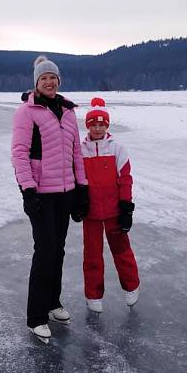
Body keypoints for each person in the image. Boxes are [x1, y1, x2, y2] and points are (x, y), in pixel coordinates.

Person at [11, 56, 89, 343]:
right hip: (41, 194)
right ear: (36, 82)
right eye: (44, 78)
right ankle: (36, 316)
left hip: (65, 193)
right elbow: (19, 153)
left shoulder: (68, 112)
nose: (49, 82)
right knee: (44, 252)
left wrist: (82, 188)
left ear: (59, 81)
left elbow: (75, 154)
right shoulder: (27, 112)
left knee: (58, 251)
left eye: (53, 78)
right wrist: (28, 190)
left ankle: (53, 303)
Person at [79, 98, 140, 313]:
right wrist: (79, 201)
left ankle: (132, 286)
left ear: (107, 125)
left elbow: (125, 179)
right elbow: (78, 178)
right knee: (92, 255)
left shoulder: (117, 148)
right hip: (91, 212)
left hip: (114, 212)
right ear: (88, 126)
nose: (97, 128)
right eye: (93, 124)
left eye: (101, 124)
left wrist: (126, 207)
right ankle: (93, 295)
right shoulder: (80, 149)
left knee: (122, 251)